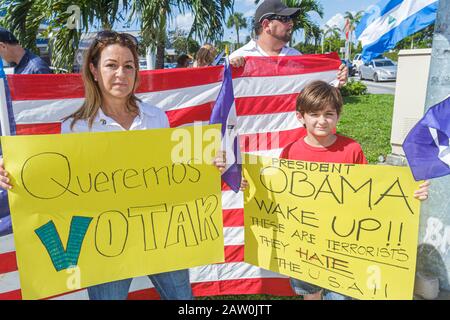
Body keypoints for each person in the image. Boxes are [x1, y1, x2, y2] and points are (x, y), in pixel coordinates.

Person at [0, 30, 193, 300]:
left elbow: (176, 172)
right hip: (105, 243)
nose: (121, 74)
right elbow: (62, 182)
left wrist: (208, 164)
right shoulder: (75, 127)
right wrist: (14, 173)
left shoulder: (156, 117)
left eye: (129, 66)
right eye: (111, 65)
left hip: (159, 233)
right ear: (93, 70)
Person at [279, 80, 430, 300]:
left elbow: (370, 193)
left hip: (344, 244)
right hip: (305, 241)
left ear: (338, 116)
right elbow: (279, 191)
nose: (322, 120)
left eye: (329, 114)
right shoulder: (290, 151)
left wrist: (410, 194)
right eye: (314, 114)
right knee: (310, 293)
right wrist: (251, 185)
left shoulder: (351, 149)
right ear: (300, 116)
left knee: (339, 296)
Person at [229, 0, 348, 87]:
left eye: (291, 19)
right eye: (285, 19)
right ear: (266, 25)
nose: (291, 23)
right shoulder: (237, 58)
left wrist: (337, 78)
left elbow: (312, 93)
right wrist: (230, 70)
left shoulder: (296, 57)